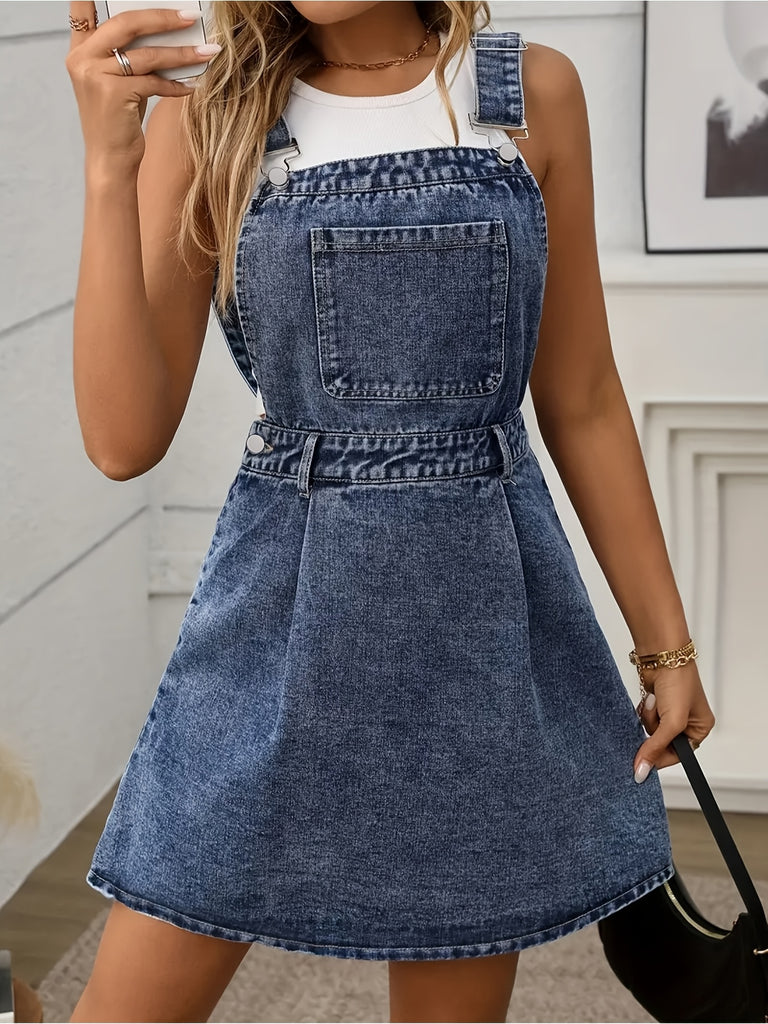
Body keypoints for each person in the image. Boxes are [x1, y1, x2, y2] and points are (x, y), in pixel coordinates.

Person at [64, 2, 716, 1021]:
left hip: (476, 636)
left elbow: (582, 397)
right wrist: (110, 166)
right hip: (277, 631)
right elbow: (121, 439)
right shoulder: (211, 116)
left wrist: (665, 644)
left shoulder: (530, 91)